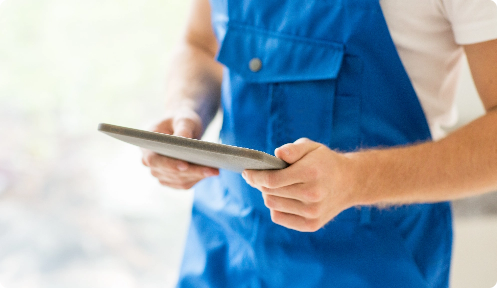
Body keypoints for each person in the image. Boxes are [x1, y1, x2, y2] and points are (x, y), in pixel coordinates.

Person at [141, 0, 497, 286]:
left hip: (374, 266)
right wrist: (186, 111)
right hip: (225, 251)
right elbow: (201, 43)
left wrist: (354, 180)